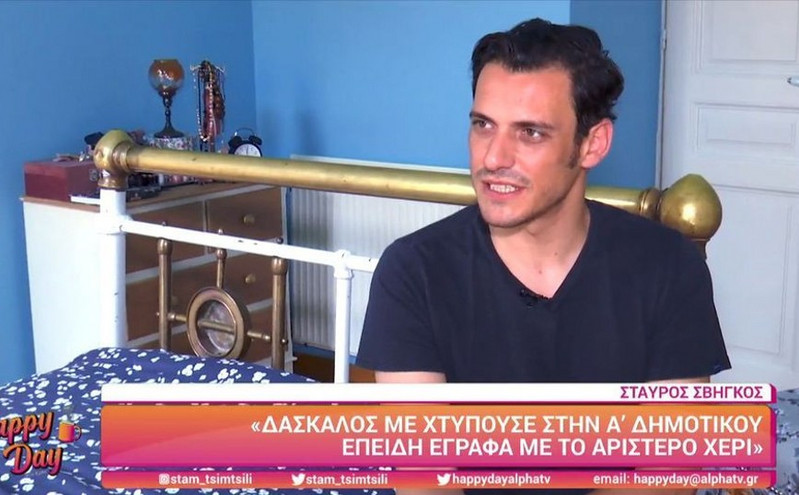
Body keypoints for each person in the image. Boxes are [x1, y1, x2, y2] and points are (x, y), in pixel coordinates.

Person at [356, 17, 730, 495]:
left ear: (592, 144)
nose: (493, 158)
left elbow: (669, 472)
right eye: (483, 125)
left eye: (530, 132)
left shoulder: (667, 266)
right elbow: (426, 482)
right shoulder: (414, 271)